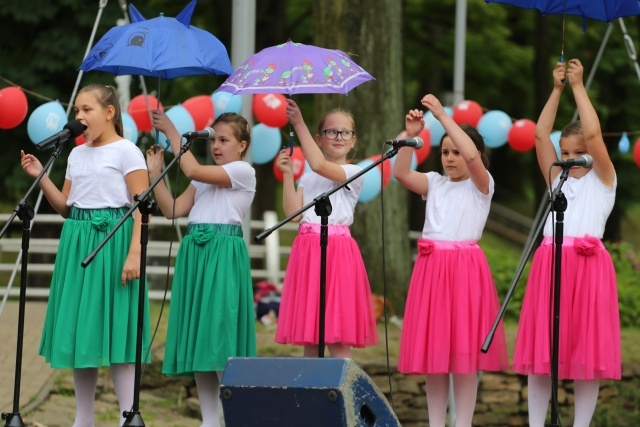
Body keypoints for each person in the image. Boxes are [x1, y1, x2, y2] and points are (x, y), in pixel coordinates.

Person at [20, 84, 150, 427]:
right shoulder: (76, 154)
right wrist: (41, 178)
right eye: (76, 111)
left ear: (109, 113)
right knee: (82, 330)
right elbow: (65, 206)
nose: (78, 117)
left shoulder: (127, 152)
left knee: (118, 328)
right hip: (78, 242)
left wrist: (134, 252)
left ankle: (128, 416)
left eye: (86, 110)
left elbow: (142, 208)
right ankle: (84, 418)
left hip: (114, 242)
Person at [513, 59, 620, 427]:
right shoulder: (557, 180)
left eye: (577, 152)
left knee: (585, 352)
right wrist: (556, 90)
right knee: (544, 349)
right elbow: (541, 137)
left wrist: (577, 86)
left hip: (589, 266)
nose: (570, 159)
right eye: (566, 152)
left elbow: (593, 134)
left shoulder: (603, 179)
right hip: (551, 263)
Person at [394, 94, 509, 427]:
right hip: (431, 271)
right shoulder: (434, 183)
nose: (450, 158)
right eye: (445, 152)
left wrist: (443, 117)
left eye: (455, 152)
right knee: (435, 355)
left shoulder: (480, 186)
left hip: (463, 272)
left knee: (463, 355)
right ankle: (434, 423)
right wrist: (410, 135)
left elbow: (473, 155)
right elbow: (401, 173)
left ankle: (463, 423)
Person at [148, 110, 256, 427]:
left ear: (242, 145)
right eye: (214, 140)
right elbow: (172, 209)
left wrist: (171, 131)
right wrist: (157, 175)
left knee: (220, 337)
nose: (217, 146)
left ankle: (230, 418)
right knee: (200, 338)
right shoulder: (202, 180)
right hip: (196, 255)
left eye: (224, 140)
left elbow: (192, 165)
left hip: (222, 255)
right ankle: (209, 420)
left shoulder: (242, 171)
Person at [274, 98, 378, 358]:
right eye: (331, 131)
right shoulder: (308, 177)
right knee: (311, 334)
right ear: (319, 139)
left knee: (337, 333)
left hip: (337, 252)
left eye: (345, 132)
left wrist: (298, 122)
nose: (339, 137)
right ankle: (313, 394)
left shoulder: (355, 172)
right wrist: (288, 175)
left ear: (354, 140)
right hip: (308, 250)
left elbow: (320, 164)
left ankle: (341, 391)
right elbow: (292, 215)